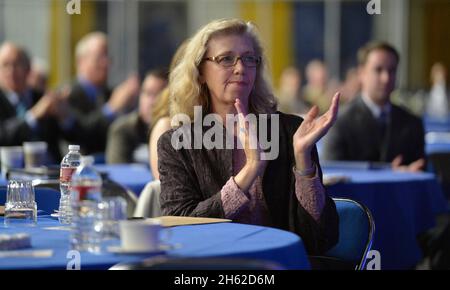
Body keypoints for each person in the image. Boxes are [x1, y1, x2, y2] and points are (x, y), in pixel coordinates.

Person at [157, 18, 339, 256]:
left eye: (249, 58)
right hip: (213, 266)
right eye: (226, 59)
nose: (241, 68)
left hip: (280, 262)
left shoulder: (290, 131)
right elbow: (181, 228)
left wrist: (304, 163)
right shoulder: (176, 143)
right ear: (200, 72)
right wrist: (250, 169)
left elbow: (321, 238)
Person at [322, 41, 425, 171]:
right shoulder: (339, 122)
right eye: (378, 70)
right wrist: (389, 172)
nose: (386, 78)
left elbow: (422, 171)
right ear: (361, 73)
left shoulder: (412, 123)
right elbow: (332, 174)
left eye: (392, 70)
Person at [67, 32, 139, 155]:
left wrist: (132, 106)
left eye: (108, 57)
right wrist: (112, 108)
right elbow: (81, 134)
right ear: (81, 61)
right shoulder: (68, 95)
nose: (106, 63)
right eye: (100, 57)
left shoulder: (108, 93)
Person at [0, 42, 69, 162]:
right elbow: (3, 135)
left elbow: (77, 136)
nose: (11, 71)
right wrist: (33, 116)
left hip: (51, 171)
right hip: (11, 174)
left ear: (28, 68)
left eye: (17, 64)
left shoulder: (42, 97)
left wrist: (65, 117)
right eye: (5, 65)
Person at [106, 69, 168, 164]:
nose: (152, 102)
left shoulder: (177, 131)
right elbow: (118, 171)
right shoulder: (122, 130)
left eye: (159, 95)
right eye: (147, 93)